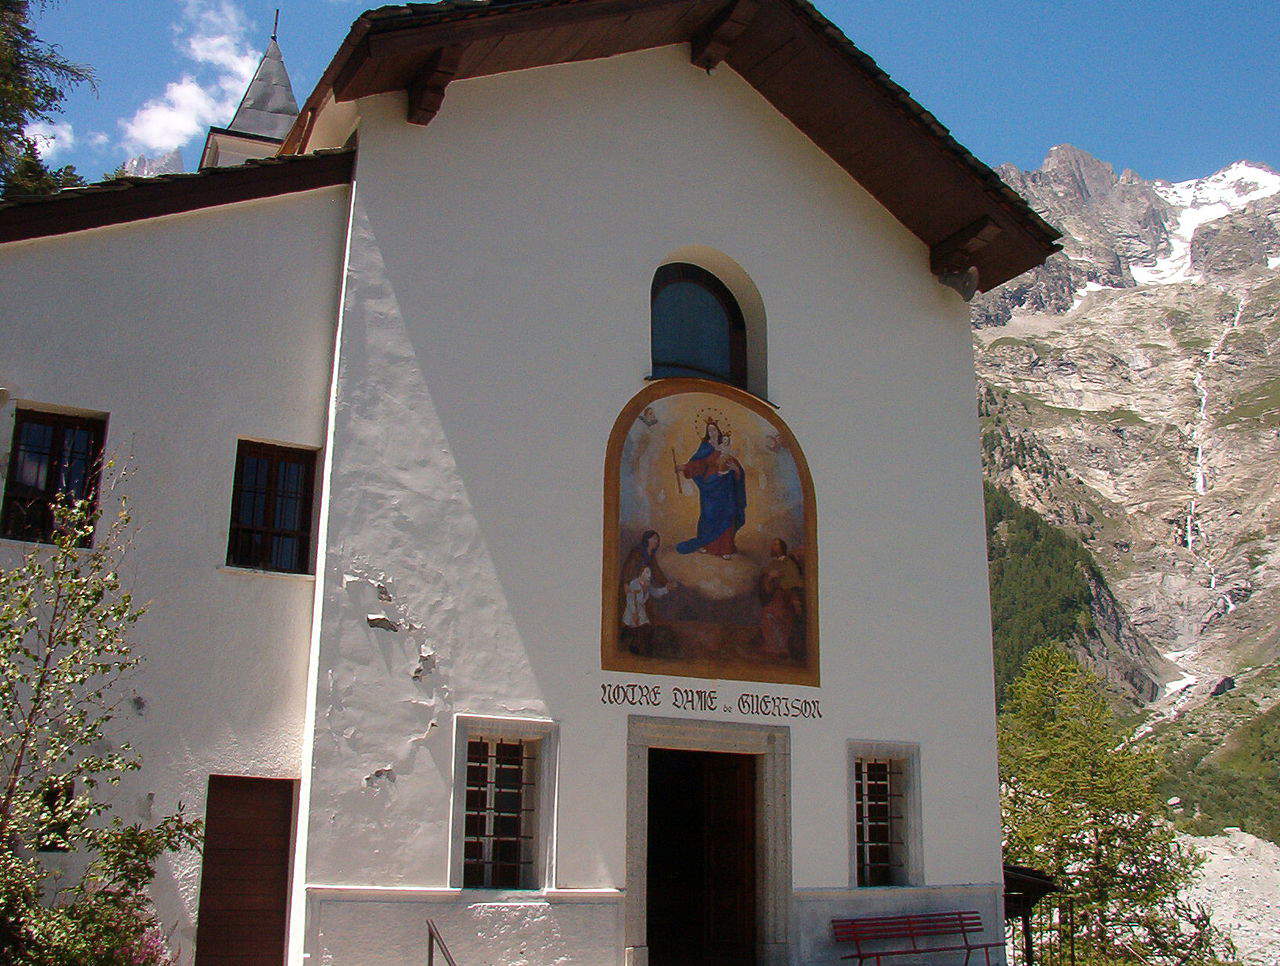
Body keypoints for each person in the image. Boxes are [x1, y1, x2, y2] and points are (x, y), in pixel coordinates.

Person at [676, 419, 746, 559]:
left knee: (726, 514)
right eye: (709, 430)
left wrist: (736, 470)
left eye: (714, 429)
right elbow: (698, 463)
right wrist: (685, 467)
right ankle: (706, 544)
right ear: (707, 432)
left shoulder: (725, 447)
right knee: (708, 514)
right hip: (709, 487)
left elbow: (736, 468)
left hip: (725, 488)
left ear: (719, 431)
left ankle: (726, 548)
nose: (712, 432)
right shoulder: (705, 446)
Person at [620, 530, 675, 654]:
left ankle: (639, 643)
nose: (657, 541)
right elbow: (628, 568)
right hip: (631, 587)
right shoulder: (637, 553)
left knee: (644, 620)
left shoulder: (651, 556)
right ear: (647, 539)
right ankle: (631, 641)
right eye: (654, 538)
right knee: (633, 619)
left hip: (642, 591)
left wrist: (666, 584)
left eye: (657, 539)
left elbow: (656, 571)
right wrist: (626, 583)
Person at [758, 538, 804, 658]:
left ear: (782, 547)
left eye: (776, 544)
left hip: (787, 596)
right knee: (767, 614)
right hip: (775, 597)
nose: (774, 547)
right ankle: (772, 646)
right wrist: (769, 578)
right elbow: (766, 586)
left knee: (779, 615)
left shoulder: (789, 563)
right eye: (773, 544)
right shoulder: (772, 564)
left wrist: (779, 581)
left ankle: (782, 647)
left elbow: (794, 581)